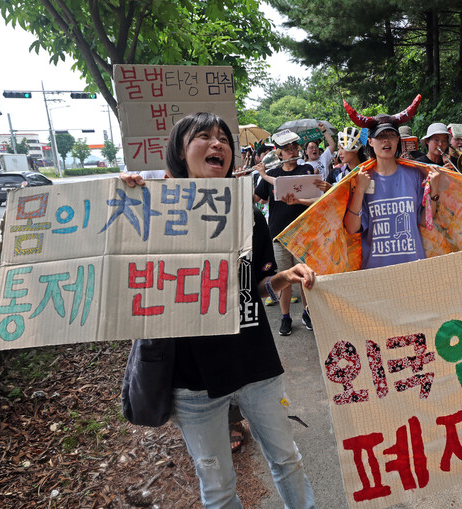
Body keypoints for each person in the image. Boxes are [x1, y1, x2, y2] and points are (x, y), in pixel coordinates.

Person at [120, 112, 316, 509]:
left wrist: (283, 278)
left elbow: (254, 288)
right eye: (204, 136)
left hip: (255, 363)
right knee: (218, 487)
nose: (218, 144)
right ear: (179, 150)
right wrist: (126, 199)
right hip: (192, 379)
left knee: (288, 460)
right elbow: (118, 269)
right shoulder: (151, 212)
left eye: (223, 138)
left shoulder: (247, 214)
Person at [342, 98, 442, 269]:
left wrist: (435, 189)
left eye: (391, 135)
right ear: (370, 142)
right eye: (380, 137)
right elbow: (351, 228)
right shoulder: (361, 178)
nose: (386, 141)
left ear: (398, 141)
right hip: (376, 272)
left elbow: (426, 221)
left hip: (414, 267)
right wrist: (359, 190)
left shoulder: (415, 175)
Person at [254, 130, 317, 336]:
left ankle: (308, 313)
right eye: (286, 149)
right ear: (279, 154)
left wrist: (298, 201)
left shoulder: (307, 169)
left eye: (293, 147)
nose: (291, 151)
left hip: (303, 232)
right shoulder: (271, 173)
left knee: (305, 277)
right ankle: (285, 317)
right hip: (278, 234)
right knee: (284, 278)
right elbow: (256, 198)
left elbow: (315, 198)